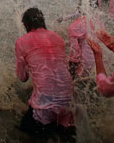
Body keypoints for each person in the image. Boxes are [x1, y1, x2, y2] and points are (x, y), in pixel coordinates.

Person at [16, 8, 74, 136]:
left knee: (24, 132)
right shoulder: (58, 38)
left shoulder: (21, 42)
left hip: (44, 105)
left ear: (26, 25)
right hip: (68, 99)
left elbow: (22, 77)